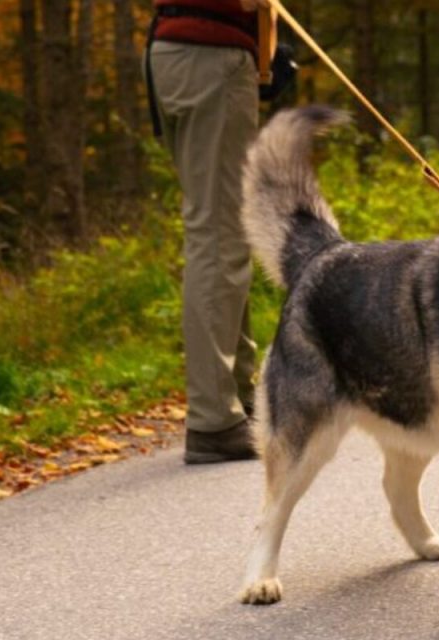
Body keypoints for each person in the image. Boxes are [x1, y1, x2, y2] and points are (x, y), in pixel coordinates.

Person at [146, 0, 270, 463]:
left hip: (183, 51)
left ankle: (236, 396)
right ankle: (215, 418)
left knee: (221, 229)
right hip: (209, 56)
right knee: (218, 236)